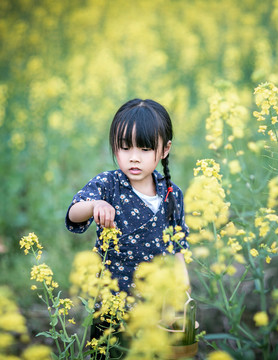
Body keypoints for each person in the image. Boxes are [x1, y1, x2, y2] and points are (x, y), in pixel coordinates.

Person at [65, 98, 190, 356]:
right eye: (124, 148)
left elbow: (178, 243)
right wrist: (95, 205)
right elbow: (74, 213)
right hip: (111, 304)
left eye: (145, 149)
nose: (134, 158)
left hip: (156, 306)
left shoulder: (172, 194)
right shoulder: (108, 184)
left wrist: (183, 286)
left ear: (165, 150)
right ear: (115, 147)